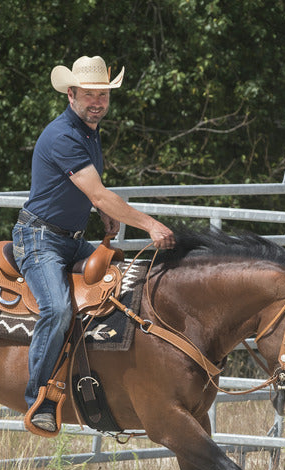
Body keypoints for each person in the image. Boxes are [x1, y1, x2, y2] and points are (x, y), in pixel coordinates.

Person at [13, 55, 175, 434]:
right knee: (56, 309)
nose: (97, 102)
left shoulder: (88, 131)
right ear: (71, 94)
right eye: (90, 94)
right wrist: (148, 224)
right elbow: (99, 193)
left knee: (126, 279)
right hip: (40, 239)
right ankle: (37, 396)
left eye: (103, 94)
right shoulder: (63, 135)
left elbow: (88, 192)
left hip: (70, 239)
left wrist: (101, 211)